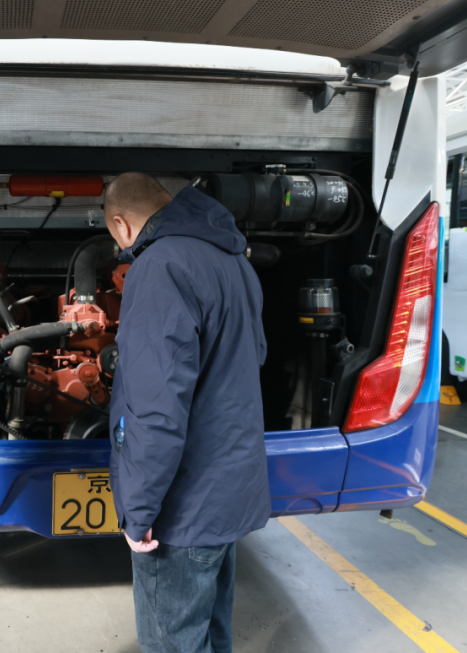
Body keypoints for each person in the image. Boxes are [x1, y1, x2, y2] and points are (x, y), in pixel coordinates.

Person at [104, 172, 270, 653]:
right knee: (213, 635)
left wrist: (138, 513)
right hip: (227, 494)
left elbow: (155, 408)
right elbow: (252, 358)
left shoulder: (159, 267)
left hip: (183, 510)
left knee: (173, 642)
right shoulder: (232, 259)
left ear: (122, 224)